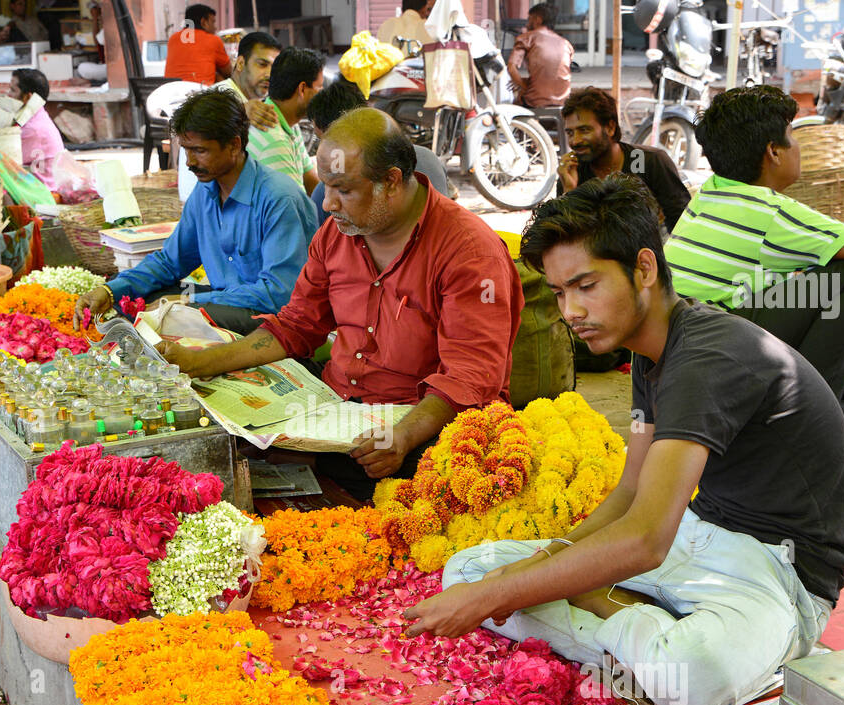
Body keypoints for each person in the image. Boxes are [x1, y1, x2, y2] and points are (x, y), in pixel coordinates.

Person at [406, 175, 844, 705]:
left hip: (779, 570)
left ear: (644, 268)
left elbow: (646, 539)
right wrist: (534, 565)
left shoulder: (706, 356)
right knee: (467, 571)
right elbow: (629, 492)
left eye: (586, 286)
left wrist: (511, 592)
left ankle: (623, 621)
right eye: (560, 292)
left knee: (689, 676)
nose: (571, 310)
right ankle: (636, 636)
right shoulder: (651, 353)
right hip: (698, 534)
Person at [144, 109, 523, 500]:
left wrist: (403, 436)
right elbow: (297, 325)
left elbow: (469, 378)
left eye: (343, 189)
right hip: (339, 412)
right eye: (325, 186)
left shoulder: (471, 253)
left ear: (391, 182)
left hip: (423, 426)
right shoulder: (336, 235)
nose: (327, 204)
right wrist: (192, 362)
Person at [665, 85, 844, 461]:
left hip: (682, 373)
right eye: (793, 137)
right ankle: (806, 427)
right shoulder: (770, 211)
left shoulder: (708, 194)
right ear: (773, 152)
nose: (798, 146)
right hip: (716, 362)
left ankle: (788, 417)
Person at [73, 89, 318, 335]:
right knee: (135, 300)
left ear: (234, 145)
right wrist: (110, 290)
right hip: (226, 301)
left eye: (199, 150)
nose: (189, 162)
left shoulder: (278, 198)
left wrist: (189, 303)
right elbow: (170, 262)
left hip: (274, 315)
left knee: (171, 316)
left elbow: (277, 293)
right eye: (186, 149)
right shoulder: (205, 193)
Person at [306, 78, 450, 224]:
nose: (328, 204)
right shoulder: (428, 157)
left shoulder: (326, 192)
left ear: (392, 180)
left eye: (323, 139)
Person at [557, 87, 691, 232]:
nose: (575, 141)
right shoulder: (571, 173)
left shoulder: (649, 162)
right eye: (570, 133)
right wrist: (569, 191)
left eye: (584, 130)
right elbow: (564, 236)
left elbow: (682, 225)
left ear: (610, 128)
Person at [248, 47, 325, 194]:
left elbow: (308, 178)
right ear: (302, 89)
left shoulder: (288, 120)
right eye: (319, 88)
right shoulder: (275, 141)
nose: (322, 94)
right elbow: (295, 210)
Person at [212, 31, 286, 133]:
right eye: (262, 64)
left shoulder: (268, 102)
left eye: (274, 67)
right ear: (240, 63)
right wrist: (241, 111)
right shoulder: (217, 94)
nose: (269, 74)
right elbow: (202, 115)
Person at [507, 4, 574, 109]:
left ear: (538, 20)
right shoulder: (566, 43)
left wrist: (523, 86)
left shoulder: (526, 38)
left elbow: (511, 68)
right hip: (563, 101)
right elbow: (554, 72)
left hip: (535, 101)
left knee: (509, 110)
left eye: (529, 19)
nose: (527, 24)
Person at [9, 68, 66, 188]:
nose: (8, 95)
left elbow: (5, 159)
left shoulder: (32, 128)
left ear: (28, 97)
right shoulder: (34, 116)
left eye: (13, 90)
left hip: (43, 192)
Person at [164, 4, 231, 85]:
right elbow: (228, 73)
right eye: (213, 22)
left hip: (169, 91)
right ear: (203, 22)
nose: (215, 27)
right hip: (199, 95)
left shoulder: (172, 39)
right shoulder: (213, 40)